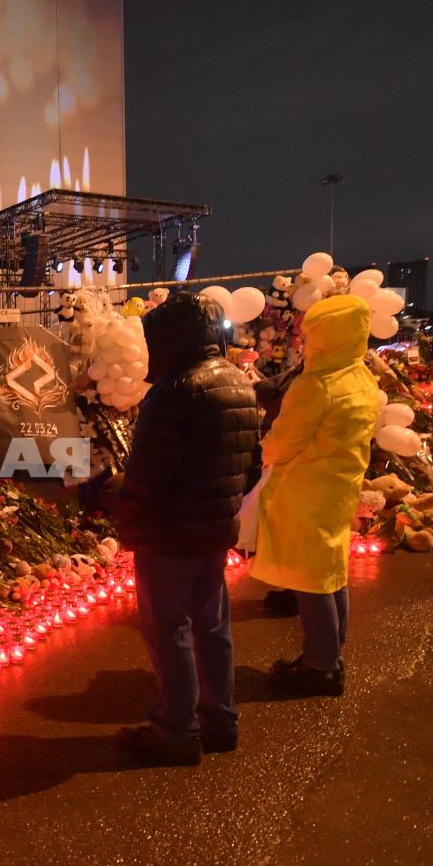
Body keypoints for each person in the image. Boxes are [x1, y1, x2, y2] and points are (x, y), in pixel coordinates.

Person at [110, 293, 262, 766]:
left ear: (171, 340)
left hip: (169, 533)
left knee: (169, 629)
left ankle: (176, 731)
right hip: (213, 528)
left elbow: (149, 476)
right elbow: (251, 466)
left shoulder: (175, 391)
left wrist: (118, 509)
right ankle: (220, 721)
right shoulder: (237, 381)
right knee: (212, 627)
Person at [251, 293, 381, 697]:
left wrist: (264, 452)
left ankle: (320, 666)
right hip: (339, 486)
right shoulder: (361, 376)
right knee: (331, 570)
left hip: (305, 490)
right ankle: (330, 653)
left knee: (312, 579)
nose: (306, 343)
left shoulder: (317, 384)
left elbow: (284, 440)